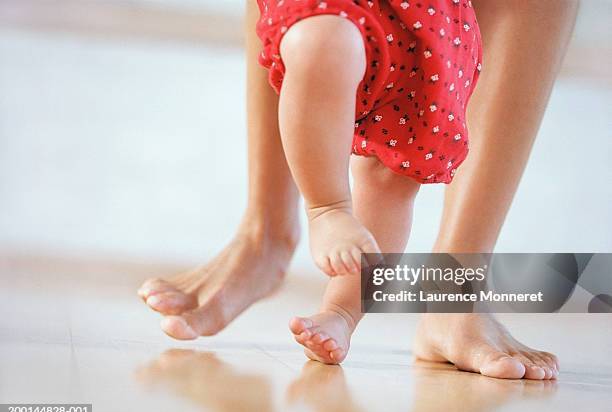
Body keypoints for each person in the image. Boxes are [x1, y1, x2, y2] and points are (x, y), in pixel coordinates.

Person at [138, 0, 577, 380]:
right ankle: (291, 222)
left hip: (433, 18)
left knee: (390, 178)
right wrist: (327, 207)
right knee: (318, 42)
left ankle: (355, 310)